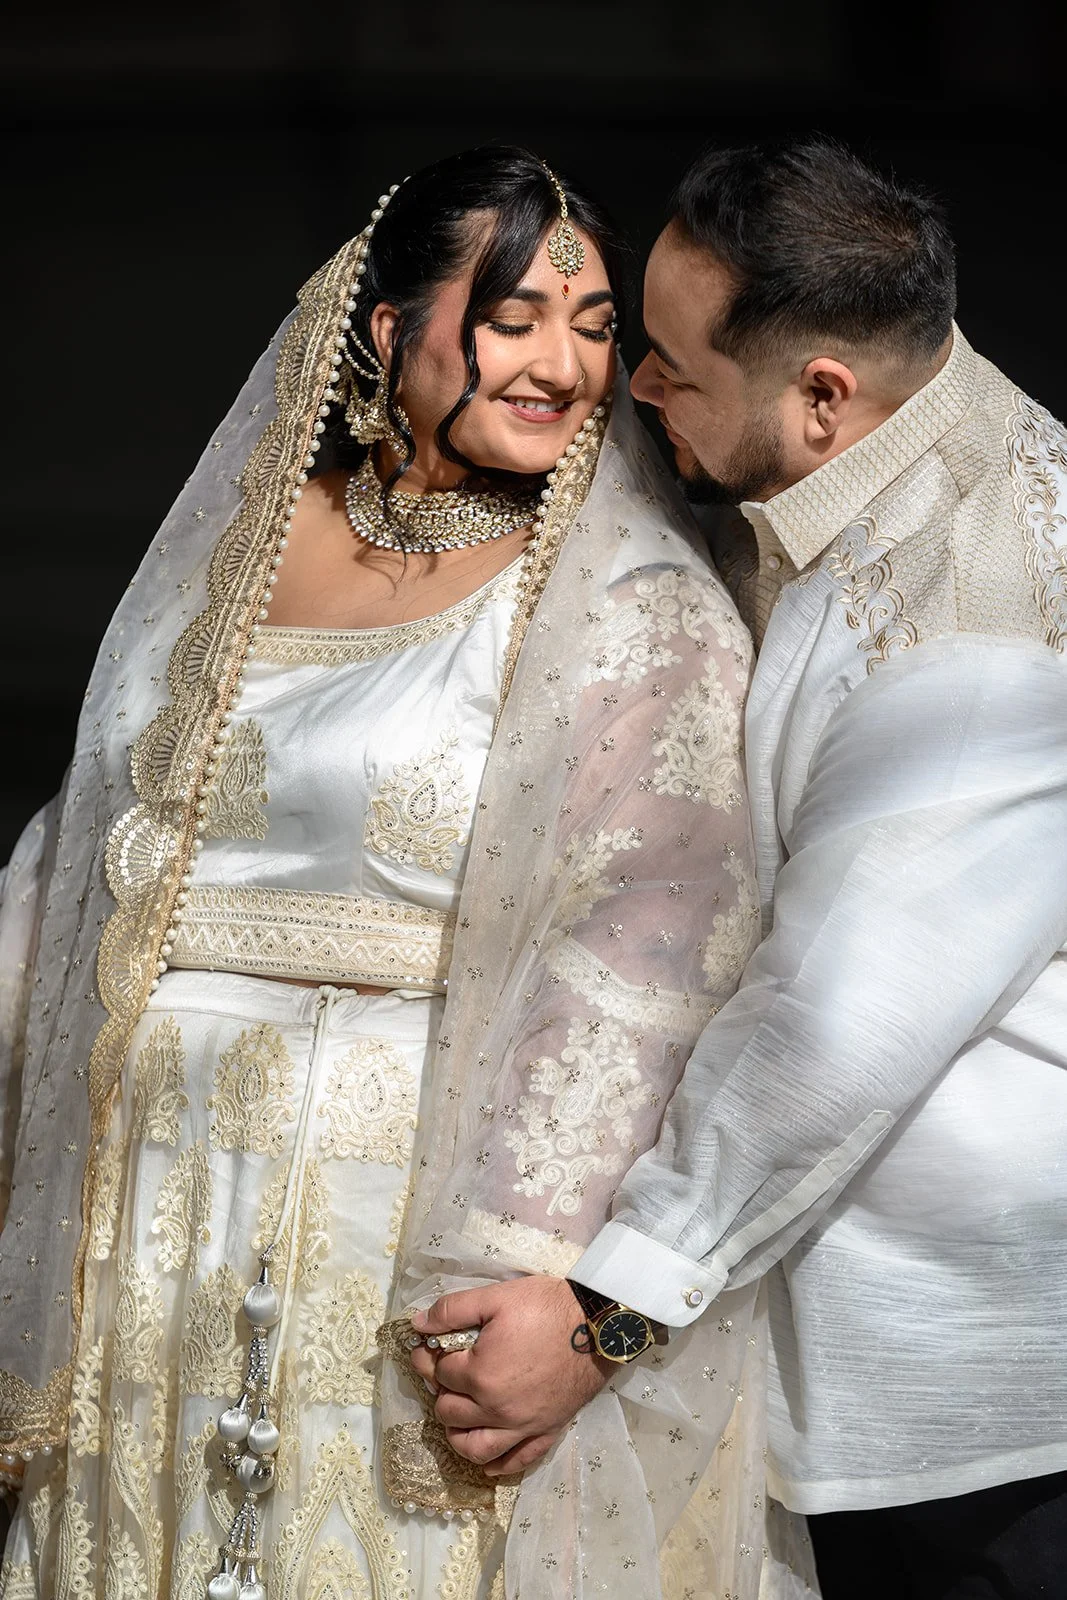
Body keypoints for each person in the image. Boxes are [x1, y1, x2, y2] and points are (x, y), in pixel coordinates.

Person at [0, 146, 814, 1599]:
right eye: (515, 316)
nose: (564, 364)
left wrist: (533, 1275)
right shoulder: (231, 562)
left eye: (592, 323)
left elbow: (647, 956)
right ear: (389, 335)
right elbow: (77, 868)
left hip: (404, 1206)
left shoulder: (631, 606)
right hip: (151, 1194)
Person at [412, 138, 1067, 1600]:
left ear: (822, 398)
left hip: (972, 1411)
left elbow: (841, 1022)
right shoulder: (880, 453)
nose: (627, 389)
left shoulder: (985, 620)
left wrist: (603, 1316)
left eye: (668, 364)